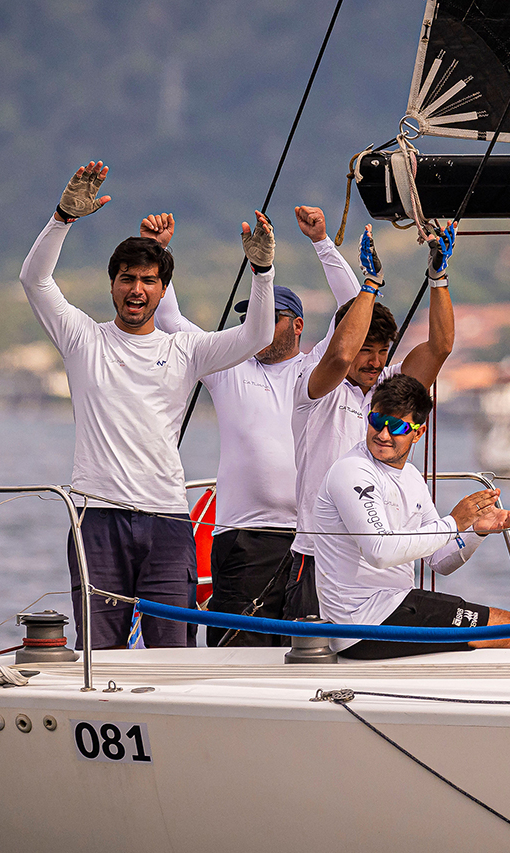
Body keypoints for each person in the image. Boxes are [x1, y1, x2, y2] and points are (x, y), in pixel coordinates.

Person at [19, 160, 275, 649]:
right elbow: (34, 280)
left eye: (149, 280)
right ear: (112, 284)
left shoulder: (186, 349)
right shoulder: (82, 340)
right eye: (127, 278)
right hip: (97, 518)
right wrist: (62, 217)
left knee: (172, 656)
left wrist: (262, 271)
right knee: (100, 655)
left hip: (167, 522)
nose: (137, 289)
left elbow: (257, 333)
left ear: (162, 288)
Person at [146, 206, 360, 646]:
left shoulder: (313, 369)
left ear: (298, 325)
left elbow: (354, 307)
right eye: (249, 316)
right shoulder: (229, 366)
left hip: (310, 540)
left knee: (309, 652)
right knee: (235, 651)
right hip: (243, 538)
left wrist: (322, 241)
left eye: (270, 316)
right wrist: (157, 251)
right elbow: (170, 322)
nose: (254, 323)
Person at [282, 221, 457, 619]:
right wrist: (370, 284)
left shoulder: (391, 389)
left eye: (382, 351)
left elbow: (441, 347)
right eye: (367, 349)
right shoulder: (314, 385)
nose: (375, 361)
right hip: (319, 557)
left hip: (384, 560)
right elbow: (341, 356)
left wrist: (439, 277)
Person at [311, 374, 510, 658]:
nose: (383, 434)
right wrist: (453, 523)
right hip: (362, 623)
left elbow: (439, 561)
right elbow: (380, 552)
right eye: (377, 421)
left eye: (397, 426)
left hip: (394, 608)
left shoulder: (411, 477)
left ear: (419, 432)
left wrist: (475, 532)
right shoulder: (352, 471)